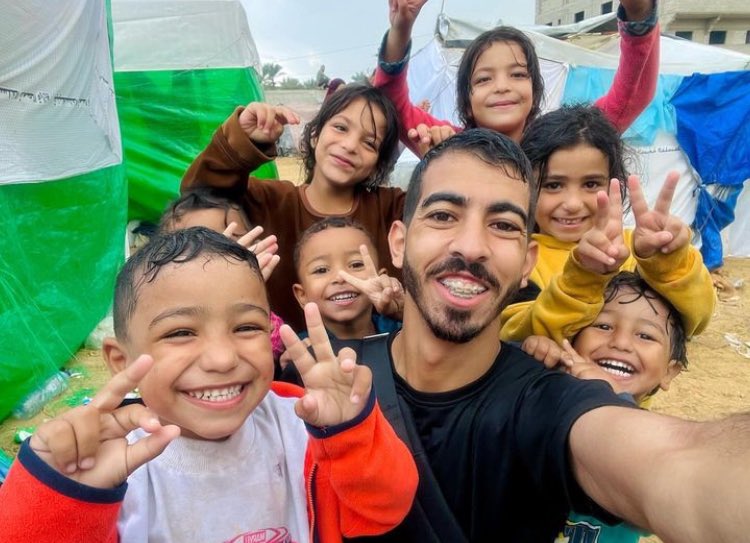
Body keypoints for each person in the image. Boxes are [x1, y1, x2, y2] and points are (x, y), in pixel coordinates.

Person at [338, 128, 750, 542]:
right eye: (443, 216)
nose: (471, 246)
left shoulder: (550, 404)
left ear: (526, 263)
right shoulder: (321, 378)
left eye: (503, 225)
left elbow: (680, 467)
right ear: (398, 242)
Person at [0, 227, 417, 543]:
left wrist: (350, 433)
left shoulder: (302, 427)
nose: (222, 359)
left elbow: (384, 510)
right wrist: (64, 493)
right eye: (181, 332)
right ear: (121, 360)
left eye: (246, 326)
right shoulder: (110, 465)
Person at [182, 84, 406, 330]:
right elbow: (199, 194)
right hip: (278, 352)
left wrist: (433, 155)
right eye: (340, 128)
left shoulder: (392, 207)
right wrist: (241, 139)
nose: (350, 145)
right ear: (314, 135)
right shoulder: (271, 200)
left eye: (369, 143)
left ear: (378, 164)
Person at [499, 105, 714, 345]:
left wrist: (667, 262)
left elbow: (698, 319)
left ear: (616, 184)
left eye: (591, 184)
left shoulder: (640, 249)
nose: (573, 204)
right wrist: (585, 275)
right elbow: (513, 333)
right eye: (553, 185)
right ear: (525, 188)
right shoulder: (521, 257)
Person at [523, 270, 689, 542]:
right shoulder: (543, 405)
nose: (620, 343)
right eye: (603, 326)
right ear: (572, 340)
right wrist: (532, 357)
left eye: (645, 336)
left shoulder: (655, 446)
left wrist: (608, 395)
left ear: (670, 372)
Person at [374, 0, 658, 155]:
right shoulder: (446, 143)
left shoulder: (563, 142)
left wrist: (638, 12)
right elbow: (390, 107)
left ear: (535, 90)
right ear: (466, 101)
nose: (502, 86)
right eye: (483, 79)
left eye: (518, 74)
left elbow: (632, 95)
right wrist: (401, 29)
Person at [159, 187, 285, 360]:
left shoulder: (263, 313)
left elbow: (273, 344)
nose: (218, 260)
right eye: (197, 250)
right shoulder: (164, 313)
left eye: (230, 245)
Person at [292, 217, 403, 341]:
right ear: (302, 295)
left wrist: (402, 311)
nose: (340, 277)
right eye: (321, 270)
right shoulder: (299, 347)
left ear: (381, 279)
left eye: (356, 265)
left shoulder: (404, 331)